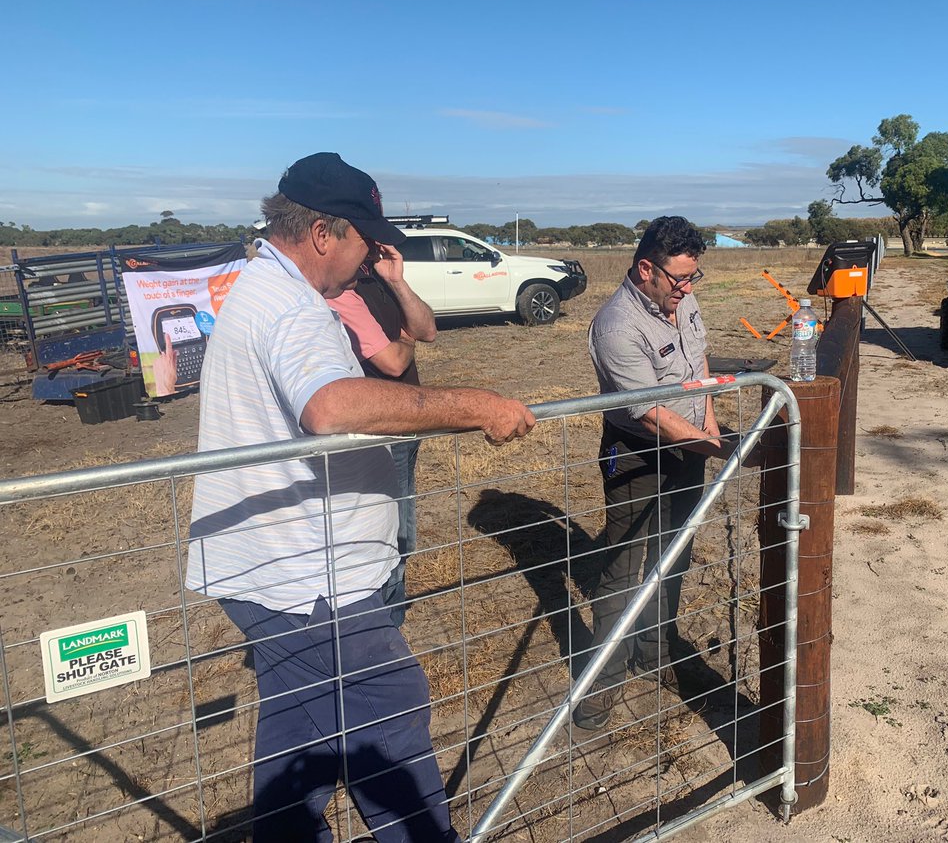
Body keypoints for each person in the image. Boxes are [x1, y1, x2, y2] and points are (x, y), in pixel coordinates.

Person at [186, 152, 534, 842]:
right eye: (361, 239)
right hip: (310, 578)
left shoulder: (265, 288)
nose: (369, 255)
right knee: (390, 713)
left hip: (279, 571)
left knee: (300, 740)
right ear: (322, 233)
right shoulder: (291, 309)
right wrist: (477, 404)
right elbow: (330, 405)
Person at [577, 215, 742, 732]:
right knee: (625, 567)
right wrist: (716, 449)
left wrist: (710, 426)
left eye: (694, 278)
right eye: (679, 279)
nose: (688, 290)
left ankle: (656, 653)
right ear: (645, 267)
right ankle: (601, 683)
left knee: (675, 554)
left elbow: (700, 365)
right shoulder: (616, 326)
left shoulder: (682, 298)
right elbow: (651, 414)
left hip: (691, 446)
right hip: (638, 455)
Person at [328, 244, 437, 627]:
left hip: (406, 421)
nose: (371, 252)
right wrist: (405, 340)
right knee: (393, 527)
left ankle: (392, 609)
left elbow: (428, 328)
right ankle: (387, 618)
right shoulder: (339, 294)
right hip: (381, 428)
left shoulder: (376, 280)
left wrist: (397, 281)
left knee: (400, 517)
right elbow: (392, 362)